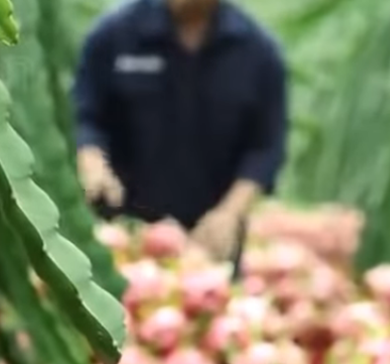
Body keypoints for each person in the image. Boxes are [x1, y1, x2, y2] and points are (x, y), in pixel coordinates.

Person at [72, 0, 289, 263]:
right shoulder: (113, 36)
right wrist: (93, 163)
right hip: (123, 240)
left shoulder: (258, 53)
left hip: (210, 249)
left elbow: (265, 148)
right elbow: (86, 117)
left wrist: (231, 213)